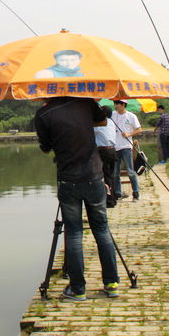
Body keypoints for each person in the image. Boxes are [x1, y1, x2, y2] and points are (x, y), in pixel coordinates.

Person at [34, 96, 120, 300]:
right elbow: (102, 121)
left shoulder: (43, 114)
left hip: (68, 179)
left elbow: (45, 147)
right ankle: (112, 284)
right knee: (101, 229)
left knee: (73, 233)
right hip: (94, 176)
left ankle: (78, 289)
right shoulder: (86, 104)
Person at [111, 100, 142, 201]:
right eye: (114, 104)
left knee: (130, 171)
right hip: (115, 147)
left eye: (117, 104)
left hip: (126, 147)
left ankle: (136, 193)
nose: (115, 106)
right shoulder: (112, 115)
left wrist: (129, 134)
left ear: (123, 105)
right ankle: (118, 194)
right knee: (115, 173)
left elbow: (139, 129)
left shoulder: (131, 116)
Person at [94, 105, 117, 205]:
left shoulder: (100, 124)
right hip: (112, 150)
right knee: (111, 175)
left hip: (103, 151)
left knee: (105, 176)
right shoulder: (112, 122)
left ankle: (109, 201)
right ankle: (113, 197)